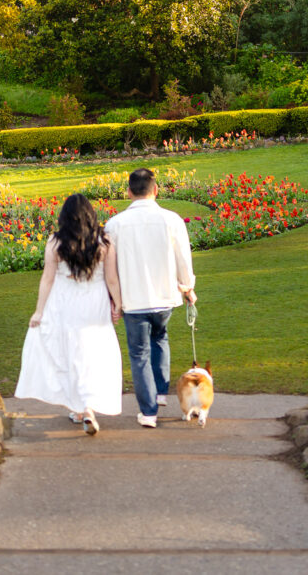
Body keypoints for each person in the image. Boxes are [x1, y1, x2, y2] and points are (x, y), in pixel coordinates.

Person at [15, 193, 123, 435]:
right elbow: (112, 279)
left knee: (70, 353)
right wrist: (118, 304)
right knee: (93, 353)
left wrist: (39, 311)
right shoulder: (104, 243)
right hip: (94, 302)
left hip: (64, 302)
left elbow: (48, 279)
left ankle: (80, 407)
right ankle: (86, 406)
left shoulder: (55, 242)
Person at [104, 168, 197, 428]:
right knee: (160, 338)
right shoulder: (172, 219)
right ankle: (159, 391)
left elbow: (109, 268)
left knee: (139, 354)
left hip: (133, 299)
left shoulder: (115, 224)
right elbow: (183, 259)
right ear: (155, 190)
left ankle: (149, 411)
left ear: (129, 192)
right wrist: (187, 287)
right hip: (164, 295)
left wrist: (114, 299)